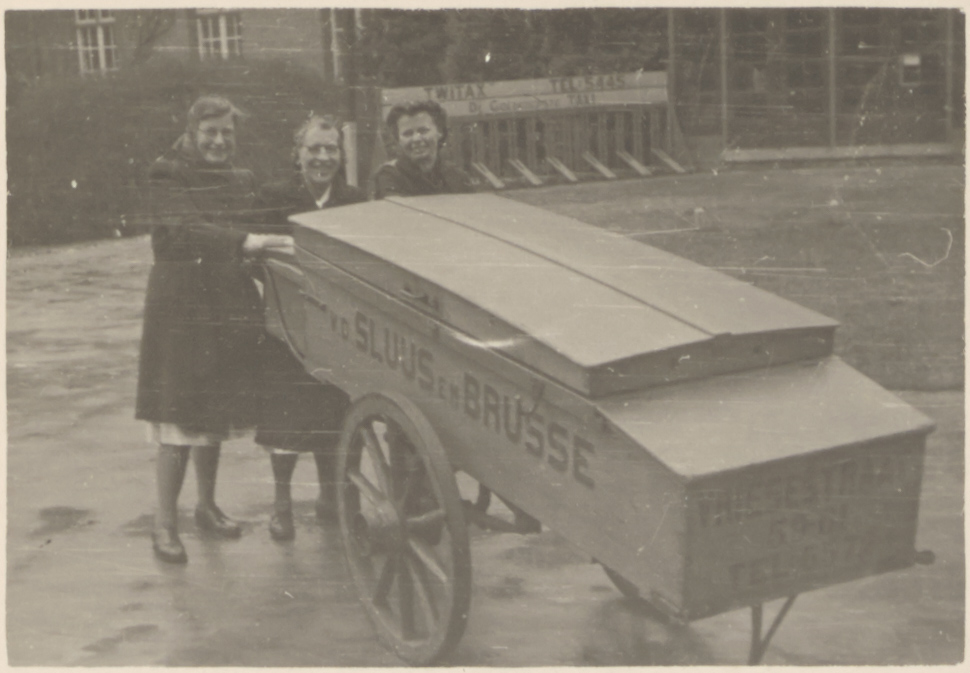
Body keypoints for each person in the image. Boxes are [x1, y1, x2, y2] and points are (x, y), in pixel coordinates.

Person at [136, 95, 292, 564]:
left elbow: (260, 226)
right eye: (211, 132)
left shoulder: (239, 178)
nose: (219, 141)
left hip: (225, 303)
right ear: (191, 131)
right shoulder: (166, 173)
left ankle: (206, 507)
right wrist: (246, 240)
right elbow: (185, 229)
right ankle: (165, 524)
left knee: (213, 413)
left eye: (227, 132)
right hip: (181, 308)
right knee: (178, 418)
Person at [253, 115, 365, 542]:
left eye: (330, 149)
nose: (322, 158)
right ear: (297, 154)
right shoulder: (274, 197)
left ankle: (331, 497)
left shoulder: (354, 200)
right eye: (313, 149)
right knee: (286, 416)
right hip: (288, 323)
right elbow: (256, 256)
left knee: (335, 411)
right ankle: (282, 504)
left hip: (337, 326)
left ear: (341, 155)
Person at [372, 99, 473, 199]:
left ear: (440, 132)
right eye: (407, 133)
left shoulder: (457, 176)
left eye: (423, 131)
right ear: (398, 139)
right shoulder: (389, 177)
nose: (416, 139)